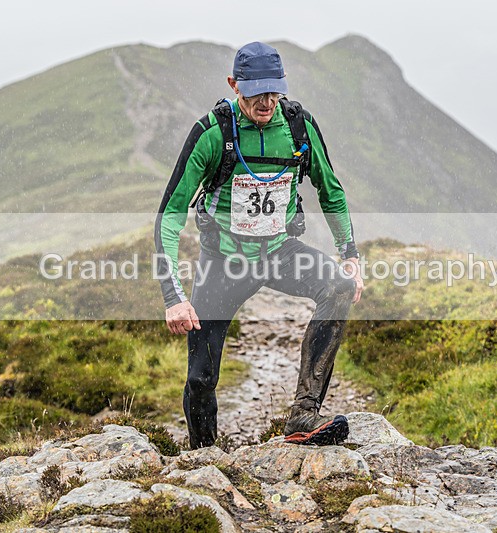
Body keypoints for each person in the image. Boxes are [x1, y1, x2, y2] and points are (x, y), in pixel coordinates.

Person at [155, 42, 364, 448]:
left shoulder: (299, 127)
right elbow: (170, 215)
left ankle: (304, 413)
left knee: (338, 285)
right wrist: (172, 296)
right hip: (226, 262)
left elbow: (331, 192)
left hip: (280, 253)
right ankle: (204, 457)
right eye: (256, 92)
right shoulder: (212, 134)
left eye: (275, 90)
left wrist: (349, 255)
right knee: (201, 378)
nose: (267, 101)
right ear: (234, 85)